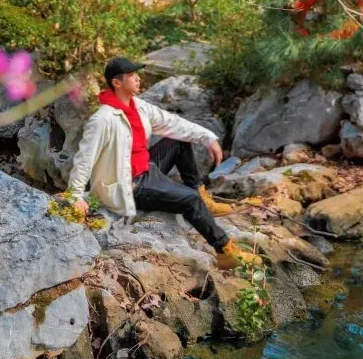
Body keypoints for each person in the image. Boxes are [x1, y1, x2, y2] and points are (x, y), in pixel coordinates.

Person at [65, 56, 256, 270]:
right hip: (129, 185)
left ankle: (202, 196)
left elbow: (172, 123)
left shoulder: (138, 106)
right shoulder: (103, 119)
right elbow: (85, 157)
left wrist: (207, 137)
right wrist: (74, 195)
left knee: (178, 141)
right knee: (189, 200)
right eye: (131, 75)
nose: (138, 78)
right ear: (117, 83)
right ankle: (225, 251)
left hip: (146, 168)